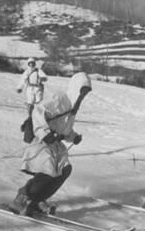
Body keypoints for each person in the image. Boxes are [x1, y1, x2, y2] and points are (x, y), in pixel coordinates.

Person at [12, 72, 92, 216]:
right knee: (48, 170)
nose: (83, 95)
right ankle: (23, 196)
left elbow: (64, 128)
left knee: (65, 170)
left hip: (54, 144)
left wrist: (73, 137)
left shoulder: (73, 106)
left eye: (86, 92)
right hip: (41, 141)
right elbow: (38, 111)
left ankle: (37, 200)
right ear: (75, 87)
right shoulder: (60, 99)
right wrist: (45, 133)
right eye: (82, 90)